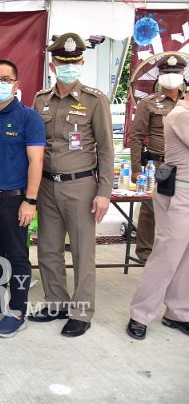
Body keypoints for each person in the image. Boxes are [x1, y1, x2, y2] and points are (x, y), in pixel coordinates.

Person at [29, 33, 113, 337]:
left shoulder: (94, 99)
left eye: (74, 62)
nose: (69, 67)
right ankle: (56, 303)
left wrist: (104, 192)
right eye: (63, 62)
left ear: (81, 63)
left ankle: (82, 311)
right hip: (47, 185)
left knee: (82, 251)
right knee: (48, 249)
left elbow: (106, 149)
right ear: (53, 65)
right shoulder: (41, 99)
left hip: (81, 186)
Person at [0, 60, 45, 337]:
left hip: (15, 200)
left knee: (17, 256)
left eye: (5, 79)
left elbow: (36, 161)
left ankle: (17, 311)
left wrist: (30, 200)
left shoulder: (29, 118)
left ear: (16, 84)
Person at [127, 93, 189, 340]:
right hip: (179, 194)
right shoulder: (181, 115)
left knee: (185, 258)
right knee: (166, 257)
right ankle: (140, 314)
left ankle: (178, 313)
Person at [127, 53, 187, 262]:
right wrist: (136, 169)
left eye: (176, 72)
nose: (172, 76)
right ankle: (145, 253)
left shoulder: (186, 102)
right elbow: (136, 137)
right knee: (150, 209)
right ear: (159, 76)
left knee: (180, 210)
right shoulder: (149, 103)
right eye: (167, 72)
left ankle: (177, 253)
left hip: (184, 166)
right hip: (158, 164)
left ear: (182, 75)